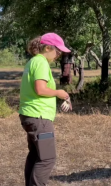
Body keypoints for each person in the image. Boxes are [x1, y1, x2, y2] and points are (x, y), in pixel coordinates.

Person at [18, 32, 72, 186]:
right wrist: (59, 93)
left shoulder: (33, 62)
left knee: (36, 155)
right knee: (47, 158)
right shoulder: (41, 62)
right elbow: (40, 89)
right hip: (39, 118)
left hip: (29, 115)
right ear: (48, 47)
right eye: (58, 51)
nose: (59, 55)